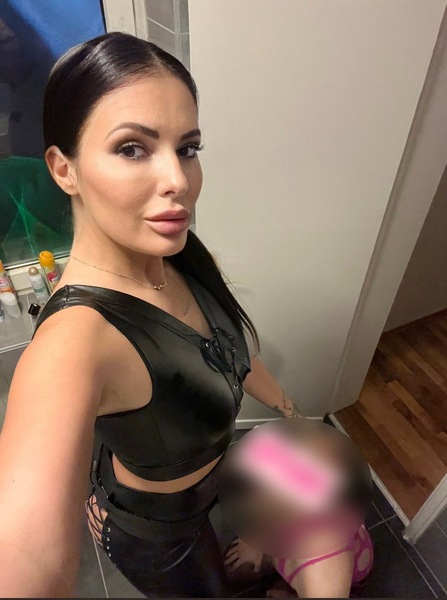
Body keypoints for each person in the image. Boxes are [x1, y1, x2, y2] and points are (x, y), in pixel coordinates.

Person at [0, 32, 302, 598]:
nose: (179, 182)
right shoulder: (73, 342)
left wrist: (286, 406)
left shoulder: (176, 252)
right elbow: (27, 559)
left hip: (202, 486)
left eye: (188, 148)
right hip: (161, 539)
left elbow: (229, 350)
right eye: (132, 148)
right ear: (64, 169)